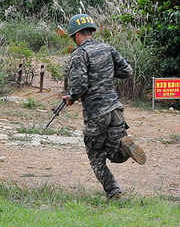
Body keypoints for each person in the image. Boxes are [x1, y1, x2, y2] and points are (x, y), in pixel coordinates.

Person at [62, 13, 146, 201]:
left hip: (96, 113)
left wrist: (71, 98)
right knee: (116, 152)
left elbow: (80, 86)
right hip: (116, 110)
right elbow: (127, 71)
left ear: (76, 35)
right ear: (91, 31)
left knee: (96, 156)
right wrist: (104, 74)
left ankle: (113, 192)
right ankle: (127, 148)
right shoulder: (107, 48)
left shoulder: (79, 54)